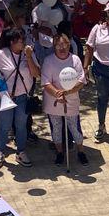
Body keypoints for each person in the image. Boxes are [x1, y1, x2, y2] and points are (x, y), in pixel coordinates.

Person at [0, 28, 38, 168]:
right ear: (12, 42)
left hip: (23, 96)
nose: (23, 43)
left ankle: (21, 151)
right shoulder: (1, 54)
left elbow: (35, 74)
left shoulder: (28, 53)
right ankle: (0, 151)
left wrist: (29, 57)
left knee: (21, 125)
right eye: (21, 41)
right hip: (6, 96)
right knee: (5, 125)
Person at [42, 33, 85, 164]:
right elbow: (45, 82)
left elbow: (81, 80)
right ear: (54, 46)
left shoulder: (75, 59)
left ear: (69, 45)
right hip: (53, 101)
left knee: (75, 128)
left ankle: (81, 152)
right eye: (58, 45)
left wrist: (66, 92)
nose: (62, 48)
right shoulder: (48, 60)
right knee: (56, 128)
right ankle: (59, 153)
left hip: (71, 100)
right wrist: (57, 94)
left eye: (64, 44)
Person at [83, 2, 109, 141]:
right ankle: (101, 125)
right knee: (102, 98)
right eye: (107, 13)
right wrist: (85, 67)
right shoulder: (97, 28)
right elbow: (89, 47)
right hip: (100, 68)